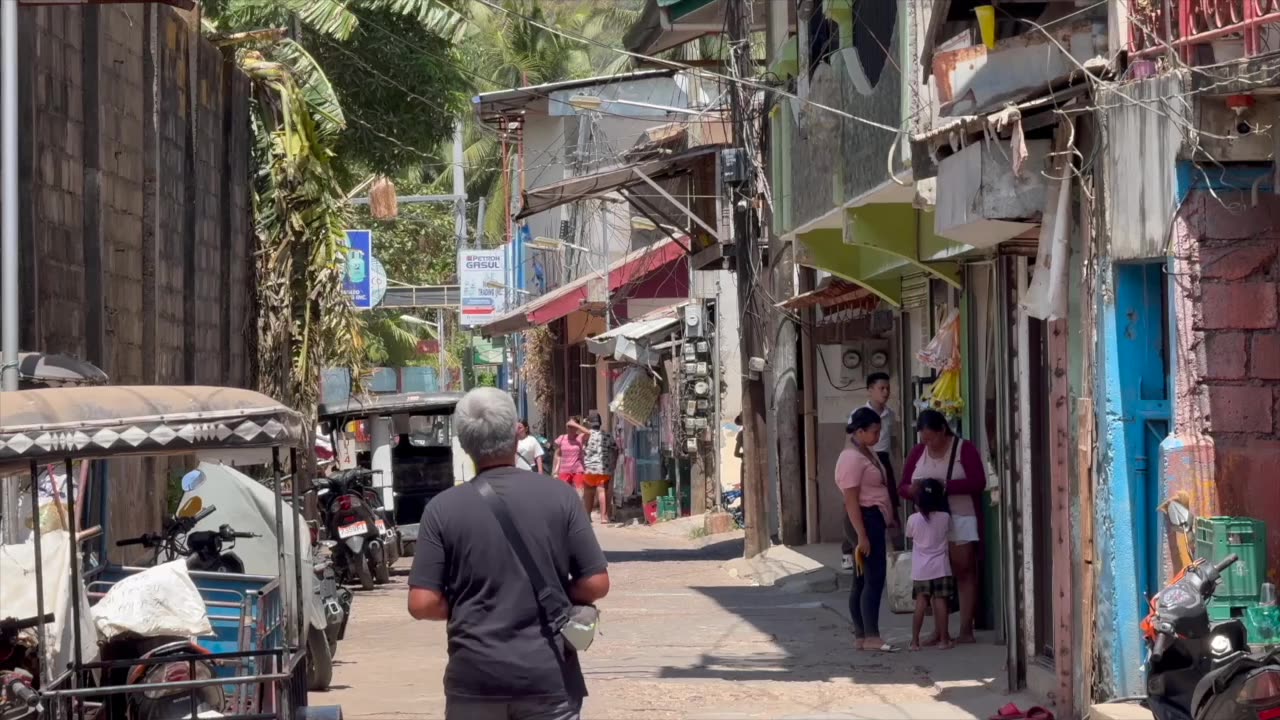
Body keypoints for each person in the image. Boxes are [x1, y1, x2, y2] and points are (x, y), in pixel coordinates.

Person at [407, 388, 610, 720]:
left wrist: (466, 601)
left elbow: (422, 603)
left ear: (463, 442)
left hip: (473, 680)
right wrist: (559, 592)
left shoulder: (442, 509)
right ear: (517, 433)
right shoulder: (560, 496)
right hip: (547, 676)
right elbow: (597, 583)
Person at [899, 409, 986, 644]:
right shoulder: (918, 452)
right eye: (924, 439)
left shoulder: (963, 449)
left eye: (931, 438)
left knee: (964, 570)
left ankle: (966, 629)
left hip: (960, 517)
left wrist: (946, 486)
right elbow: (903, 486)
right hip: (930, 522)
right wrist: (913, 490)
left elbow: (979, 482)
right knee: (938, 575)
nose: (928, 444)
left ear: (943, 430)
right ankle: (941, 630)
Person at [836, 407, 897, 652]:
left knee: (863, 579)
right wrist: (861, 535)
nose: (877, 435)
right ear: (860, 431)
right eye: (874, 431)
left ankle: (863, 634)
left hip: (874, 517)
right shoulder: (851, 458)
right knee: (872, 577)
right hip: (863, 518)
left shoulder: (866, 452)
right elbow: (851, 499)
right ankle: (870, 634)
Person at [843, 373, 900, 567]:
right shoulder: (859, 414)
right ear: (870, 389)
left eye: (887, 388)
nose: (885, 392)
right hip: (863, 459)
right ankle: (850, 549)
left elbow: (892, 442)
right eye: (881, 388)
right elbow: (849, 442)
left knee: (889, 500)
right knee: (857, 502)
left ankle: (893, 548)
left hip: (881, 459)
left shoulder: (890, 414)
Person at [907, 478, 953, 650]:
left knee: (920, 603)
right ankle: (943, 640)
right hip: (941, 567)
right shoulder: (945, 517)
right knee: (941, 602)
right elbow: (948, 533)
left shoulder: (913, 520)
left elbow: (910, 536)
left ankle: (914, 642)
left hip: (921, 570)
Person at [581, 413, 616, 524]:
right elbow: (615, 449)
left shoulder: (586, 435)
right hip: (603, 468)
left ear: (590, 423)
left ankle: (587, 516)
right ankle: (604, 517)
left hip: (589, 468)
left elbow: (581, 449)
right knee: (602, 491)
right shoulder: (607, 435)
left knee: (588, 492)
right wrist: (613, 464)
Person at [553, 417, 587, 489]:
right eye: (569, 426)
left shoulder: (580, 437)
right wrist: (555, 471)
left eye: (573, 427)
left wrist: (576, 425)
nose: (570, 429)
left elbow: (589, 433)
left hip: (578, 470)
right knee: (564, 495)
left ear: (576, 428)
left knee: (579, 494)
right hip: (564, 471)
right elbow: (558, 455)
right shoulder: (561, 438)